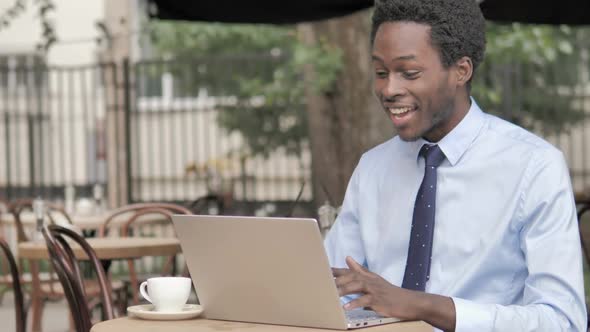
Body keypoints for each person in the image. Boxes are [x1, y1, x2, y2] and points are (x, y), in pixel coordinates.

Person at [323, 0, 587, 331]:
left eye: (410, 73)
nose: (389, 89)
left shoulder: (534, 167)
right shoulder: (373, 168)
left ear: (461, 71)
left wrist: (424, 306)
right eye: (380, 72)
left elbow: (563, 321)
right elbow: (329, 288)